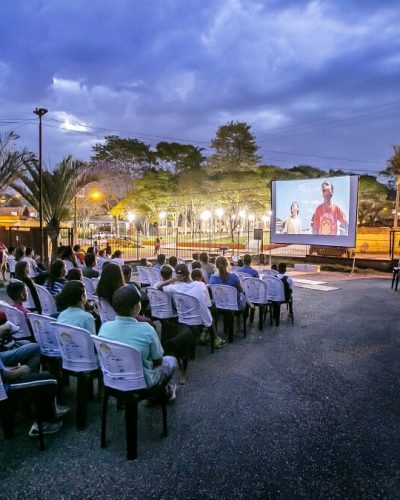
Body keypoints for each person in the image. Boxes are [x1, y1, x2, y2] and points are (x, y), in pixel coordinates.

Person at [98, 285, 177, 399]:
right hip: (141, 383)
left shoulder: (104, 327)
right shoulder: (146, 329)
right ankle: (160, 393)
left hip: (113, 378)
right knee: (171, 361)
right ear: (135, 307)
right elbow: (158, 361)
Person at [159, 263, 226, 349]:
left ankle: (205, 333)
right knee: (210, 311)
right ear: (189, 273)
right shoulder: (201, 285)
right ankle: (212, 335)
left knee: (206, 310)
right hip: (198, 318)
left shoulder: (173, 288)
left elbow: (159, 286)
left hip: (183, 318)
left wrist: (173, 279)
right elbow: (207, 304)